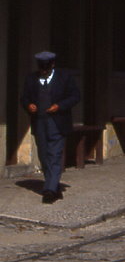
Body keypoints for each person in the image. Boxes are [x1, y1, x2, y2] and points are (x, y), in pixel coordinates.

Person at [20, 51, 81, 204]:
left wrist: (60, 106)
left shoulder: (64, 78)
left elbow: (75, 96)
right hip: (40, 122)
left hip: (57, 123)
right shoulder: (31, 79)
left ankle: (50, 190)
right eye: (41, 68)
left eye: (46, 68)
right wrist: (29, 105)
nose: (44, 71)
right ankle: (52, 184)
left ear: (52, 65)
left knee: (55, 155)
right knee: (44, 154)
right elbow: (24, 97)